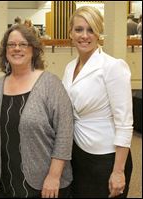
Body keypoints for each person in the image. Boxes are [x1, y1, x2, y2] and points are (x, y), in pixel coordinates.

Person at [0, 24, 74, 198]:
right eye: (11, 45)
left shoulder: (50, 84)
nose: (17, 48)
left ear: (33, 49)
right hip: (5, 183)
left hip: (45, 185)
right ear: (5, 51)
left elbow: (65, 132)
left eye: (23, 44)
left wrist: (54, 176)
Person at [62, 6, 133, 198]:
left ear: (99, 33)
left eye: (91, 29)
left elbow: (125, 123)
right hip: (78, 154)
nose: (84, 35)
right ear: (70, 33)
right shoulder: (69, 67)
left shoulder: (112, 67)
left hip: (107, 159)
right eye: (79, 29)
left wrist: (118, 171)